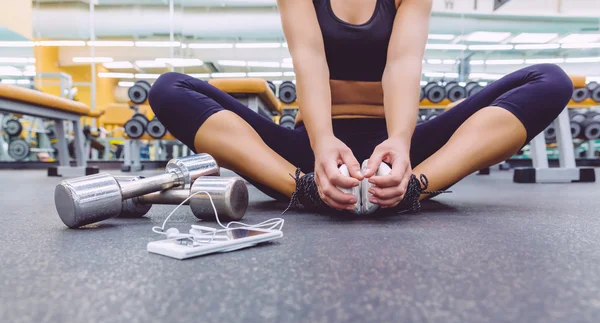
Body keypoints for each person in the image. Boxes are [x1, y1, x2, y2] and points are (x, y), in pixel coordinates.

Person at [149, 0, 573, 214]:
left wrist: (401, 142)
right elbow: (309, 59)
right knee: (169, 89)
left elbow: (403, 63)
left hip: (399, 146)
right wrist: (323, 142)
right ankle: (303, 190)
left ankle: (414, 188)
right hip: (311, 150)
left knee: (550, 80)